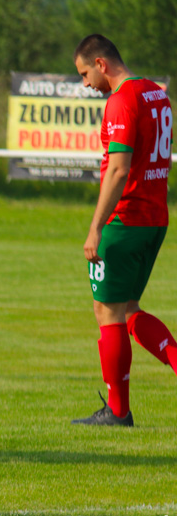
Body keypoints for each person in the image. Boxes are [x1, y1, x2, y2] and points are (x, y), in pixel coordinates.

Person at [71, 34, 177, 426]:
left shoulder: (121, 99)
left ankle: (117, 412)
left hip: (126, 219)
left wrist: (95, 228)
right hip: (155, 218)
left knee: (108, 312)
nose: (86, 84)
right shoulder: (156, 93)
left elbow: (118, 168)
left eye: (85, 74)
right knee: (128, 309)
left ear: (101, 64)